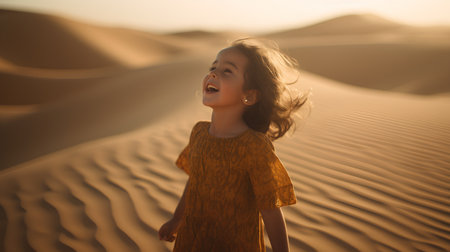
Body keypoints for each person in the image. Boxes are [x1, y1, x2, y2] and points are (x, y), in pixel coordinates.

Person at [158, 38, 311, 252]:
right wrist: (176, 219)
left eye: (227, 71)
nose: (213, 74)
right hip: (192, 240)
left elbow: (270, 210)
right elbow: (195, 180)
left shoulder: (253, 146)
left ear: (249, 95)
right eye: (213, 67)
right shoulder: (199, 133)